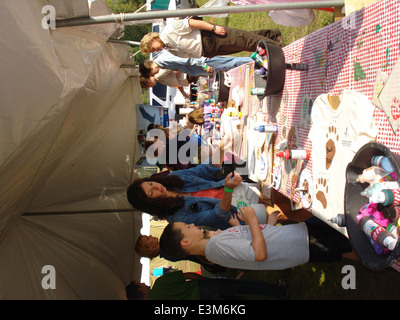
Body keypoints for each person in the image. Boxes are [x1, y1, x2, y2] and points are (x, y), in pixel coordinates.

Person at [159, 206, 356, 271]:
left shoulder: (214, 245)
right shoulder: (216, 247)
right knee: (352, 240)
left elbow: (254, 244)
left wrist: (267, 225)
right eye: (187, 227)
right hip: (301, 244)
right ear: (185, 242)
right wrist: (253, 220)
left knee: (343, 239)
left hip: (296, 239)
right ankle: (380, 249)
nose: (192, 224)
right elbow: (259, 254)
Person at [127, 157, 278, 230]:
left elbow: (203, 170)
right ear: (151, 203)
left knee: (276, 195)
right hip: (236, 212)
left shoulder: (170, 179)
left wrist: (219, 149)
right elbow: (217, 215)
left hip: (235, 189)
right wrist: (228, 189)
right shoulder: (177, 217)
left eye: (151, 184)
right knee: (276, 212)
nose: (157, 187)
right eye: (151, 193)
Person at [139, 18, 283, 58]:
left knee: (246, 40)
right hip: (209, 50)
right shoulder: (168, 49)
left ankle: (279, 49)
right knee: (243, 42)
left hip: (209, 38)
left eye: (153, 49)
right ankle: (273, 36)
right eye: (153, 52)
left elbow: (191, 23)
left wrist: (213, 28)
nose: (155, 51)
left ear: (153, 40)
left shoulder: (168, 31)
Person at [125, 270, 288, 300]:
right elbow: (188, 275)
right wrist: (206, 281)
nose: (143, 283)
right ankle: (278, 292)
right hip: (205, 288)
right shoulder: (160, 283)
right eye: (140, 283)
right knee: (245, 286)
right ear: (139, 290)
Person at [135, 234, 227, 274]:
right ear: (150, 248)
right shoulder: (167, 249)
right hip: (209, 256)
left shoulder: (165, 249)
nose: (150, 236)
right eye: (147, 238)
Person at [140, 49, 254, 77]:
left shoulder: (163, 59)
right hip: (201, 66)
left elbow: (187, 59)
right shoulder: (163, 64)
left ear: (149, 67)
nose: (155, 74)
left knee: (231, 63)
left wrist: (204, 66)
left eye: (152, 73)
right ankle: (254, 63)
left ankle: (255, 61)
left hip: (204, 62)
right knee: (230, 66)